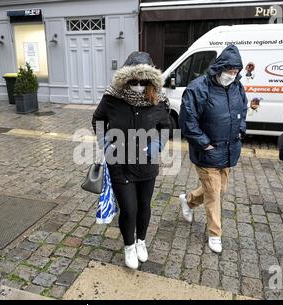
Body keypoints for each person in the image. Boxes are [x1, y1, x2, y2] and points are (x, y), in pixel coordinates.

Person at [92, 52, 171, 269]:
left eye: (143, 81)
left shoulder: (159, 100)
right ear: (126, 79)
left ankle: (141, 241)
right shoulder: (112, 97)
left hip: (147, 164)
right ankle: (129, 246)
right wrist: (105, 144)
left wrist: (156, 147)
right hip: (120, 164)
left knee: (144, 205)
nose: (138, 85)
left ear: (150, 80)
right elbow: (98, 119)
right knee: (129, 208)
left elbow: (166, 128)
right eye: (133, 81)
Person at [178, 45, 247, 253]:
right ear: (219, 68)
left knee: (219, 189)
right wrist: (204, 143)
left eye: (236, 73)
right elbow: (188, 120)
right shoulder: (197, 88)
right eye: (229, 72)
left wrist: (241, 130)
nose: (232, 76)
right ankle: (215, 234)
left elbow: (242, 110)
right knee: (214, 194)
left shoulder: (237, 87)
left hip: (229, 149)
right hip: (207, 151)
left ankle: (188, 201)